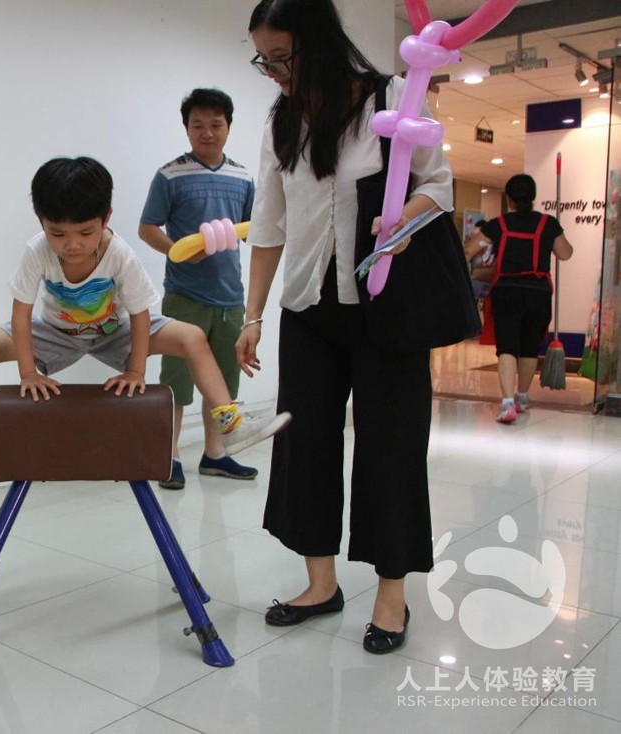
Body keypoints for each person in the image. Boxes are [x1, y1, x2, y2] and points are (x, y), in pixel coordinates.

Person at [239, 0, 453, 654]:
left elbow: (437, 187)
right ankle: (320, 583)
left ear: (320, 44)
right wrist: (253, 316)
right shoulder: (281, 122)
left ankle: (392, 597)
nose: (275, 73)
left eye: (283, 58)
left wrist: (403, 221)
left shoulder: (394, 98)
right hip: (308, 308)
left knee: (391, 445)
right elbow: (269, 225)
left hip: (385, 306)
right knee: (303, 445)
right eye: (263, 61)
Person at [0, 157, 291, 470]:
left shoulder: (119, 254)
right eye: (57, 233)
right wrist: (28, 372)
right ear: (41, 221)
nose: (71, 244)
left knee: (192, 338)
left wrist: (135, 370)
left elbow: (141, 314)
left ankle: (229, 425)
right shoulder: (36, 251)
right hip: (55, 334)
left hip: (117, 332)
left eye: (85, 232)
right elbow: (21, 314)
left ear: (105, 219)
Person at [139, 88, 259, 490]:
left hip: (230, 299)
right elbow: (147, 228)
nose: (207, 133)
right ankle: (169, 457)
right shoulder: (170, 175)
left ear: (228, 127)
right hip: (184, 297)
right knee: (176, 382)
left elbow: (252, 229)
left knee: (222, 381)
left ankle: (215, 455)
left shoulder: (243, 176)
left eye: (216, 125)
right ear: (187, 129)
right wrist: (179, 251)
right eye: (198, 125)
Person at [464, 174, 573, 423]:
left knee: (507, 347)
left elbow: (469, 250)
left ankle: (506, 404)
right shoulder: (548, 223)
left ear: (509, 199)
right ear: (533, 197)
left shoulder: (498, 225)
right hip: (538, 293)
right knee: (529, 346)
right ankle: (522, 397)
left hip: (507, 292)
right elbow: (565, 253)